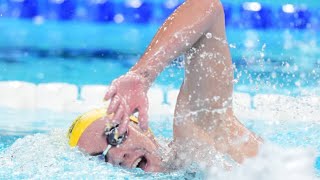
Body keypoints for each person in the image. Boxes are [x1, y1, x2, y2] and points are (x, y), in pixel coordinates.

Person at [68, 0, 262, 172]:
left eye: (116, 137)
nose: (118, 157)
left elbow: (208, 7)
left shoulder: (198, 145)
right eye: (101, 159)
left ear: (142, 128)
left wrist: (141, 75)